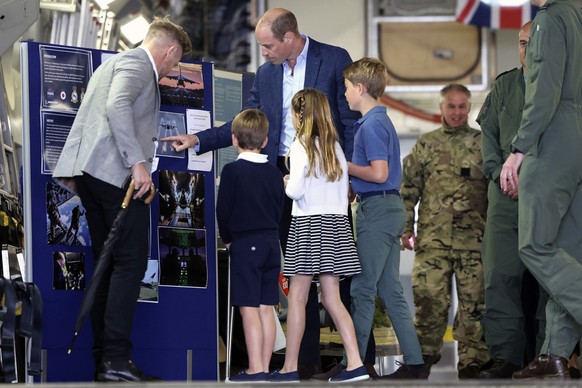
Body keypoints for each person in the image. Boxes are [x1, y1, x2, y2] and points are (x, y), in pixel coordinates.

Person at [163, 8, 376, 379]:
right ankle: (306, 360)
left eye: (268, 45)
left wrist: (353, 179)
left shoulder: (334, 58)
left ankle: (360, 359)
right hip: (281, 177)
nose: (263, 53)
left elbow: (349, 120)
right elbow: (246, 120)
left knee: (336, 282)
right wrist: (200, 139)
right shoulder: (266, 73)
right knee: (300, 278)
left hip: (325, 178)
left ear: (290, 37)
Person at [52, 17, 192, 382]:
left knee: (109, 263)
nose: (171, 70)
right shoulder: (137, 63)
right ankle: (115, 359)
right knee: (129, 264)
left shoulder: (113, 62)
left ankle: (106, 361)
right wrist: (138, 163)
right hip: (115, 176)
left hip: (93, 175)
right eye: (175, 63)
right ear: (170, 51)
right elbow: (117, 106)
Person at [499, 0, 582, 379]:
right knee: (565, 251)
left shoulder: (549, 19)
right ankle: (556, 353)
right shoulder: (579, 15)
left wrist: (519, 148)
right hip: (577, 140)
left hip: (552, 140)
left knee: (534, 244)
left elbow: (544, 89)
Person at [270, 88, 368, 383]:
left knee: (298, 298)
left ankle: (289, 368)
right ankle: (355, 363)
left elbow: (296, 191)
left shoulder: (300, 145)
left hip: (308, 226)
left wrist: (286, 181)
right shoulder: (335, 147)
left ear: (299, 115)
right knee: (333, 298)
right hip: (337, 225)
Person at [339, 57, 426, 380]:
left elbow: (379, 173)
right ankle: (415, 363)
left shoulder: (372, 126)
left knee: (362, 289)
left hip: (377, 210)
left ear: (361, 88)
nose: (345, 94)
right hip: (390, 208)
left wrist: (343, 164)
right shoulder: (379, 122)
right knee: (390, 291)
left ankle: (356, 363)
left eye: (348, 87)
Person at [401, 83, 490, 379]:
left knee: (475, 309)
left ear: (469, 108)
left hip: (475, 242)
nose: (456, 112)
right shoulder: (426, 144)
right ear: (440, 108)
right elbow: (408, 188)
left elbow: (497, 191)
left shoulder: (484, 144)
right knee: (428, 303)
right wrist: (405, 227)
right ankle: (421, 361)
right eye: (450, 106)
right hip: (433, 242)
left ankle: (473, 365)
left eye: (462, 106)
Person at [476, 21, 549, 379]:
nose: (526, 51)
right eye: (521, 44)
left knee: (548, 280)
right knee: (500, 277)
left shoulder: (560, 86)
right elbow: (487, 137)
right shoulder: (504, 86)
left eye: (532, 44)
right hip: (504, 198)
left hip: (547, 197)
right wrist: (498, 174)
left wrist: (532, 180)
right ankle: (506, 356)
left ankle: (550, 354)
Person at [216, 109, 284, 383]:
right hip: (271, 244)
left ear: (234, 139)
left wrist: (230, 240)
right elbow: (280, 209)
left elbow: (224, 211)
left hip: (246, 245)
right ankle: (265, 367)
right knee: (267, 307)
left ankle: (255, 368)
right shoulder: (274, 172)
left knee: (248, 308)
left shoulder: (233, 171)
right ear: (265, 140)